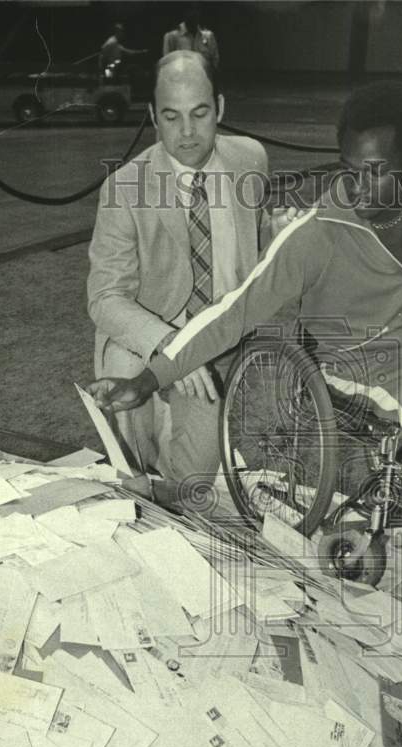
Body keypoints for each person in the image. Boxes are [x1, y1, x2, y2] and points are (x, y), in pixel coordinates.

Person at [87, 81, 402, 607]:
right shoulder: (319, 232)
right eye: (350, 167)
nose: (358, 184)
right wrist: (149, 379)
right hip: (351, 360)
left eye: (376, 170)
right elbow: (235, 310)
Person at [88, 51, 273, 483]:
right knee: (137, 473)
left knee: (193, 484)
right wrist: (173, 348)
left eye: (200, 113)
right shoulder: (124, 188)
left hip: (216, 342)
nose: (187, 132)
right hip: (144, 344)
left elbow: (258, 241)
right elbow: (104, 298)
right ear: (153, 116)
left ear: (221, 108)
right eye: (171, 117)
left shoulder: (251, 160)